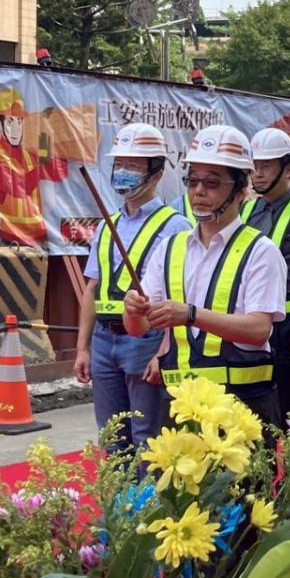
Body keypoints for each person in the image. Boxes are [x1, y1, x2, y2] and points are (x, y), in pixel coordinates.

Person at [122, 125, 288, 428]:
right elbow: (137, 328)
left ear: (241, 191)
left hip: (242, 408)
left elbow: (258, 330)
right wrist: (132, 310)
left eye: (212, 183)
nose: (199, 191)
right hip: (180, 409)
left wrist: (190, 315)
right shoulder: (170, 249)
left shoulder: (260, 251)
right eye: (193, 181)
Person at [74, 123, 191, 453]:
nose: (123, 172)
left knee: (146, 436)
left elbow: (178, 296)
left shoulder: (175, 226)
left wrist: (163, 350)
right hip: (103, 341)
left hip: (145, 341)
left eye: (134, 165)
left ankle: (146, 506)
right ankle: (119, 506)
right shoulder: (107, 226)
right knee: (112, 436)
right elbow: (92, 288)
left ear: (156, 173)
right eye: (120, 164)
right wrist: (83, 347)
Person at [240, 127, 290, 419]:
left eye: (266, 167)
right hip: (253, 324)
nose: (258, 174)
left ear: (288, 169)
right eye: (255, 167)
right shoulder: (248, 212)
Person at [0, 88, 70, 247]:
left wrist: (46, 134)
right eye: (10, 121)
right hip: (11, 240)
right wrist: (41, 166)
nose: (16, 129)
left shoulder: (29, 154)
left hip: (39, 237)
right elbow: (18, 188)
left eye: (19, 121)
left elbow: (59, 173)